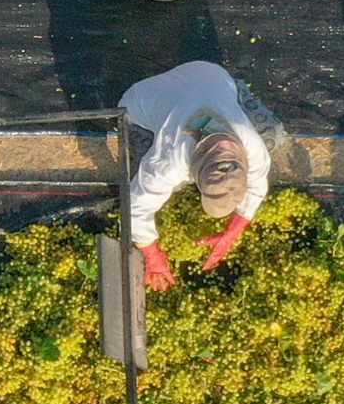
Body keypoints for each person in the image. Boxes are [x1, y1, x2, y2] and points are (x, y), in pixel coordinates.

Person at [115, 60, 279, 292]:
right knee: (168, 182)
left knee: (274, 135)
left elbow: (258, 183)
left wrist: (233, 230)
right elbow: (133, 209)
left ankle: (226, 90)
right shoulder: (169, 162)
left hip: (210, 72)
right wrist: (152, 255)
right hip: (138, 104)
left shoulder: (252, 146)